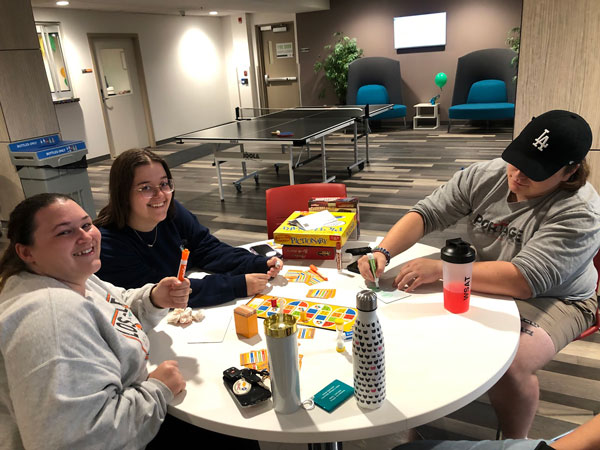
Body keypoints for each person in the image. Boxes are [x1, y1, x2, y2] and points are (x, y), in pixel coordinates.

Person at [359, 110, 600, 439]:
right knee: (415, 320)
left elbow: (524, 280)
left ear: (570, 171)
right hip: (479, 275)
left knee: (511, 364)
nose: (516, 176)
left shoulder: (581, 211)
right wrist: (382, 251)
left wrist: (444, 271)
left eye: (535, 171)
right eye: (517, 160)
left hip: (559, 298)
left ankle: (515, 444)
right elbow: (427, 213)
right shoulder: (488, 175)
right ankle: (421, 427)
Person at [0, 193, 190, 449]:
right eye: (64, 232)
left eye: (86, 224)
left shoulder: (74, 276)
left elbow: (115, 306)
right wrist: (158, 390)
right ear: (26, 252)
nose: (85, 236)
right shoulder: (50, 318)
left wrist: (154, 297)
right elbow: (78, 439)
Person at [94, 148, 283, 307]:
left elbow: (207, 248)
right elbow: (164, 292)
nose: (160, 194)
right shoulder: (109, 245)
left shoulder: (173, 213)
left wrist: (254, 263)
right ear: (123, 193)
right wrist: (236, 285)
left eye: (164, 184)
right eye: (145, 188)